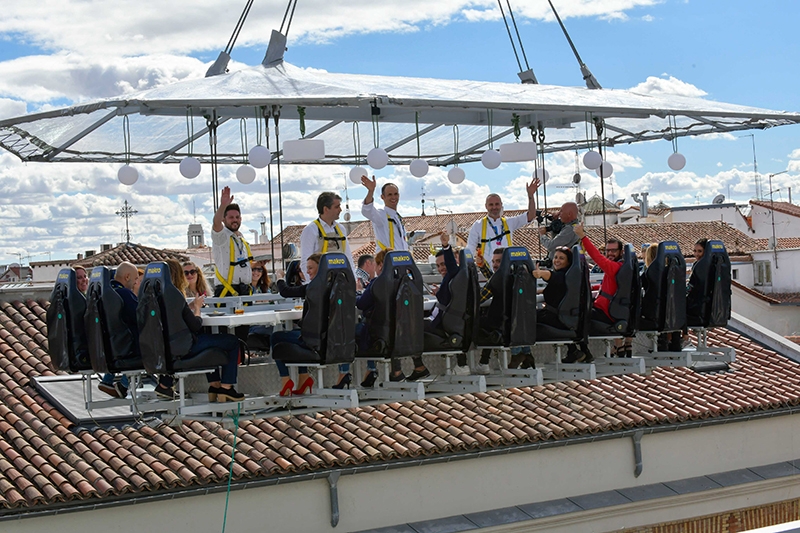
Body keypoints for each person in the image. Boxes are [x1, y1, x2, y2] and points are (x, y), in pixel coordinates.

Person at [155, 259, 244, 402]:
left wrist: (189, 307)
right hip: (185, 347)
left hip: (169, 347)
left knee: (209, 337)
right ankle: (226, 388)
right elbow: (196, 325)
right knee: (233, 342)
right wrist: (196, 308)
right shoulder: (176, 295)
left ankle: (214, 385)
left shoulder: (160, 295)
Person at [474, 247, 535, 372]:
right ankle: (526, 354)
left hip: (500, 326)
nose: (495, 265)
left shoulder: (499, 280)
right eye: (493, 262)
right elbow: (494, 278)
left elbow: (478, 299)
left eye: (499, 262)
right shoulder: (522, 277)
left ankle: (474, 362)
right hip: (521, 328)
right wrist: (483, 266)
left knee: (474, 322)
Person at [270, 254, 322, 396]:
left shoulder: (313, 287)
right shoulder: (336, 284)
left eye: (310, 268)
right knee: (299, 334)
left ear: (321, 267)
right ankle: (303, 377)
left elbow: (286, 292)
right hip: (328, 340)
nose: (308, 271)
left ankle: (286, 379)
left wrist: (280, 277)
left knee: (276, 337)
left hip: (313, 340)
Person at [574, 225, 630, 357]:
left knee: (573, 315)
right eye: (607, 251)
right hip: (605, 309)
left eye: (614, 251)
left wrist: (583, 237)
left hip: (605, 313)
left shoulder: (615, 267)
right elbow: (606, 288)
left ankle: (582, 352)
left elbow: (597, 258)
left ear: (621, 252)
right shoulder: (621, 267)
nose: (610, 253)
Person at [533, 246, 593, 363]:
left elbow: (551, 276)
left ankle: (522, 354)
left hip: (557, 319)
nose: (557, 260)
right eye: (555, 257)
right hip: (566, 318)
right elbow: (558, 288)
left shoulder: (562, 275)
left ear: (568, 262)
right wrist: (540, 291)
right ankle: (576, 351)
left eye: (561, 258)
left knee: (525, 317)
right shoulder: (572, 277)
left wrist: (540, 273)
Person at [466, 178, 540, 258]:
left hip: (507, 268)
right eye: (491, 204)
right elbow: (470, 248)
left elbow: (530, 216)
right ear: (486, 206)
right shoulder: (478, 225)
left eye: (497, 204)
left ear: (501, 205)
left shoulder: (509, 222)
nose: (494, 207)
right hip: (488, 269)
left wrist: (531, 196)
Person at [97, 262, 140, 399]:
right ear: (127, 277)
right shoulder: (124, 294)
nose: (135, 283)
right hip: (130, 349)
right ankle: (124, 385)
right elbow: (141, 317)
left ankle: (108, 380)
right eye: (135, 279)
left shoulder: (104, 294)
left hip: (109, 348)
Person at [299, 191, 354, 281]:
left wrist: (353, 280)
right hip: (321, 282)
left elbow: (348, 258)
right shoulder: (311, 230)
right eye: (336, 207)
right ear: (326, 209)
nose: (340, 210)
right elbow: (305, 261)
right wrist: (313, 285)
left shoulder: (341, 229)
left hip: (340, 281)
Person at [212, 186, 253, 297]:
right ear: (223, 219)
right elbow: (216, 223)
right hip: (227, 291)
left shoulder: (241, 238)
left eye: (237, 217)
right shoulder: (222, 236)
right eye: (231, 217)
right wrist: (223, 205)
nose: (235, 220)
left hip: (244, 290)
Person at [354, 250, 387, 387]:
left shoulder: (376, 282)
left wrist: (357, 292)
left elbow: (361, 303)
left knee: (342, 334)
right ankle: (371, 369)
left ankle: (344, 374)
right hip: (395, 332)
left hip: (375, 330)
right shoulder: (401, 281)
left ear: (380, 265)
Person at [361, 176, 408, 251]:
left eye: (396, 194)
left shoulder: (398, 217)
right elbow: (367, 210)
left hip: (401, 259)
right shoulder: (381, 215)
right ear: (382, 197)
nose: (393, 197)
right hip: (387, 259)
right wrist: (371, 191)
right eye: (389, 195)